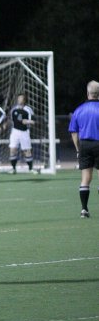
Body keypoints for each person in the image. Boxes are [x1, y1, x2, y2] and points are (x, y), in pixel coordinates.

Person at [68, 80, 99, 218]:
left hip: (85, 145)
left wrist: (78, 149)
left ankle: (84, 209)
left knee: (86, 178)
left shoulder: (79, 110)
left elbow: (73, 132)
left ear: (87, 93)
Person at [8, 93, 37, 173]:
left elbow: (34, 121)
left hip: (24, 132)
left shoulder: (28, 109)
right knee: (12, 149)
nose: (19, 100)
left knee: (27, 150)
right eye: (18, 98)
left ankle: (31, 169)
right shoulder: (14, 109)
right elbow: (11, 120)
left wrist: (27, 121)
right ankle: (13, 169)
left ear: (24, 100)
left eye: (21, 98)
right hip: (15, 131)